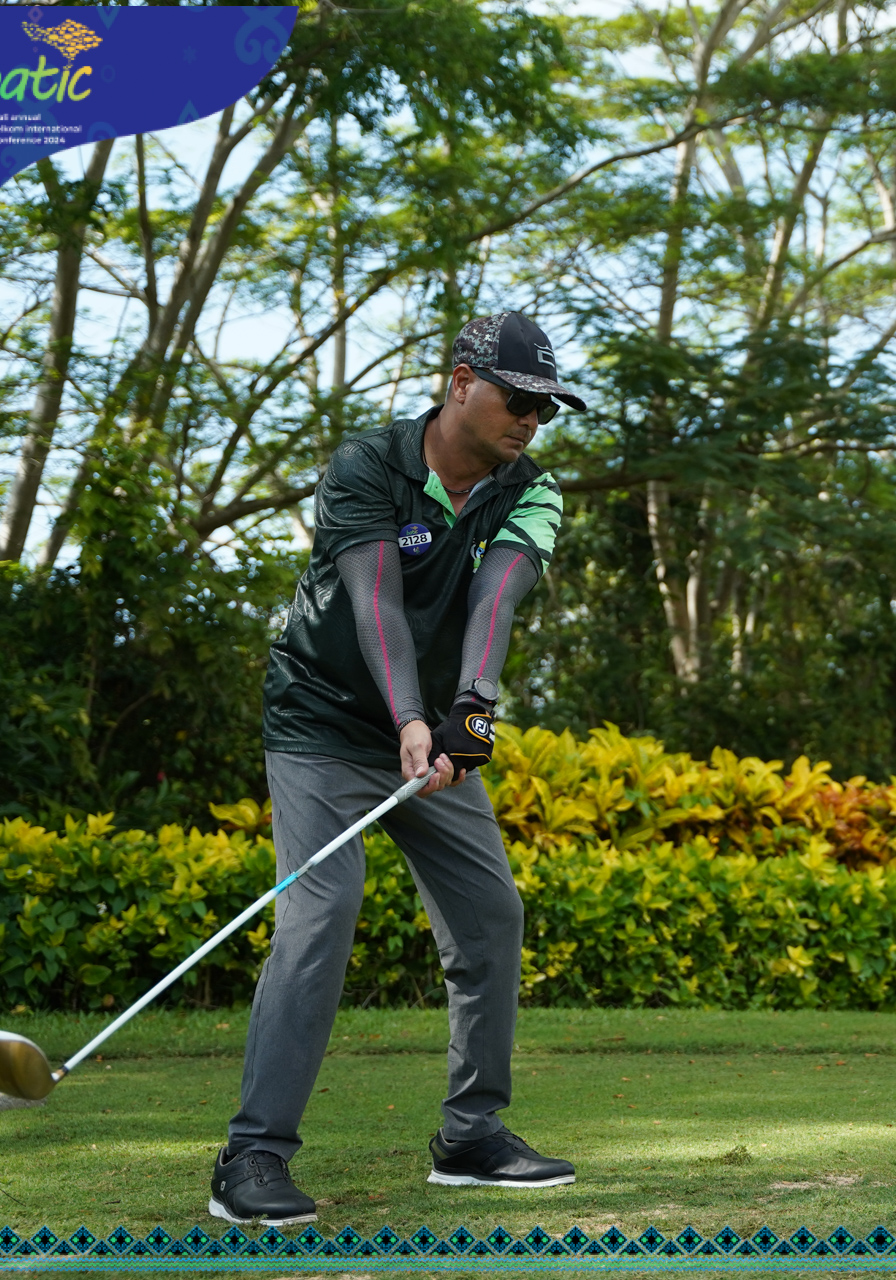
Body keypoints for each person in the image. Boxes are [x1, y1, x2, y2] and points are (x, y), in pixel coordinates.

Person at [210, 313, 584, 1226]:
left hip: (431, 742)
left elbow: (496, 599)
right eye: (517, 398)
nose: (531, 419)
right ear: (460, 383)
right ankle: (252, 1154)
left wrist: (472, 707)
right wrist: (411, 716)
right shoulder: (368, 465)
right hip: (324, 723)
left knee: (491, 913)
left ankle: (471, 1136)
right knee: (322, 912)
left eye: (545, 407)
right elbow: (374, 600)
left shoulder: (531, 490)